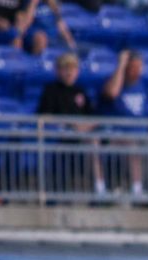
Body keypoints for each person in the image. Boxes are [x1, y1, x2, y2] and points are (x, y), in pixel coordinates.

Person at [36, 52, 106, 195]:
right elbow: (45, 116)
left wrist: (86, 126)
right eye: (65, 68)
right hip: (60, 136)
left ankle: (100, 188)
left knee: (94, 141)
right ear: (57, 70)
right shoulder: (51, 90)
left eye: (72, 68)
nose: (69, 72)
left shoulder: (80, 91)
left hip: (81, 137)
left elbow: (93, 116)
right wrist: (70, 125)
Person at [98, 50, 148, 197]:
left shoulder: (143, 87)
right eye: (133, 67)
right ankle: (137, 190)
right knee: (131, 145)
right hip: (115, 135)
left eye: (139, 67)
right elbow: (112, 93)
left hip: (142, 135)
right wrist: (120, 65)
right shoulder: (112, 82)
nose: (137, 72)